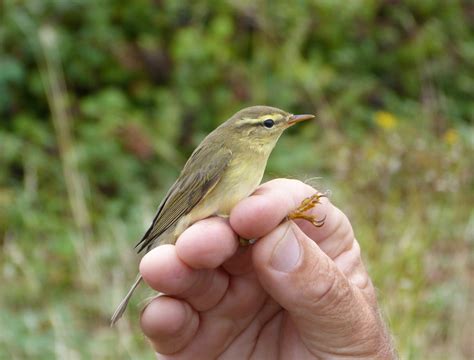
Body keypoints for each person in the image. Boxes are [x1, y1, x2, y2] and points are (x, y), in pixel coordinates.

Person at [138, 179, 396, 359]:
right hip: (189, 226)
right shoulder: (226, 154)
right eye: (269, 124)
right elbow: (189, 197)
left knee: (250, 223)